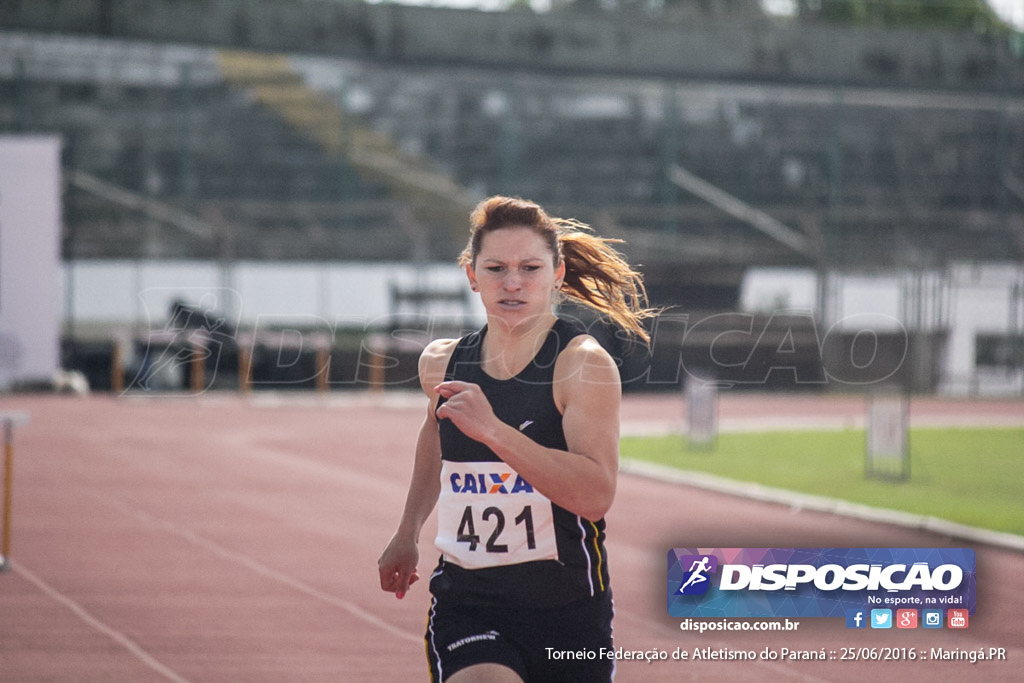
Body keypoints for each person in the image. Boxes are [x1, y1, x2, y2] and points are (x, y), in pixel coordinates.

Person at [378, 195, 657, 682]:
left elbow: (595, 495)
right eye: (496, 268)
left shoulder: (583, 366)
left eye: (530, 268)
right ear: (471, 275)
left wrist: (495, 432)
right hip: (469, 604)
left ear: (557, 274)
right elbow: (436, 435)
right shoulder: (440, 363)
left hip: (568, 609)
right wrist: (408, 532)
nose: (512, 282)